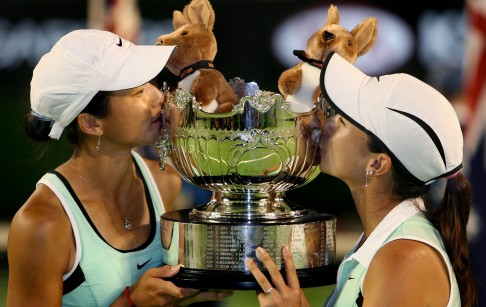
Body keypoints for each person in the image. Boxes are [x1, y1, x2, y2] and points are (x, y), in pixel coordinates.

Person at [7, 29, 233, 306]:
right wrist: (131, 302)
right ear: (92, 123)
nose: (157, 97)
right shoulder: (42, 223)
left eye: (150, 83)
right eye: (138, 91)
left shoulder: (166, 181)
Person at [245, 51, 478, 307]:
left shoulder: (404, 259)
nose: (326, 123)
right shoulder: (385, 243)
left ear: (377, 164)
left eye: (342, 120)